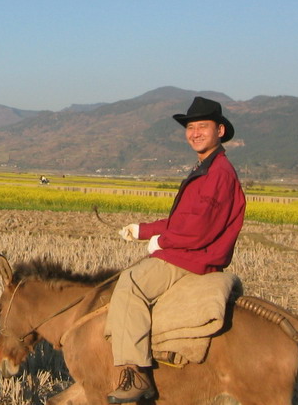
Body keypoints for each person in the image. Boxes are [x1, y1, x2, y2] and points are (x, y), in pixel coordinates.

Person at [104, 96, 246, 403]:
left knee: (131, 283)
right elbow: (183, 220)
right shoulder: (207, 168)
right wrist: (143, 230)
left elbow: (198, 229)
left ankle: (138, 375)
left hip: (192, 259)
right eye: (190, 127)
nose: (194, 133)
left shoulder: (217, 173)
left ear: (220, 131)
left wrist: (162, 242)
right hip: (188, 252)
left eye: (202, 127)